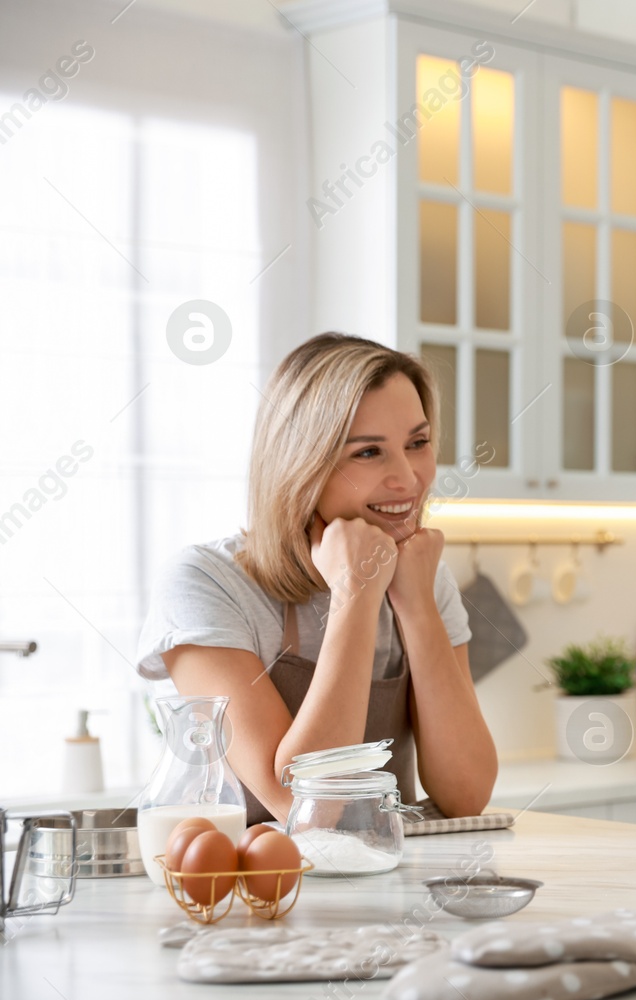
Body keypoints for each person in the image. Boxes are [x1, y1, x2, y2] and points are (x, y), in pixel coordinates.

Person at [136, 333, 496, 823]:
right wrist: (356, 593)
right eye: (368, 452)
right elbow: (302, 809)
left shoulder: (421, 576)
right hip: (242, 892)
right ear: (301, 464)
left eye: (418, 443)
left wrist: (416, 604)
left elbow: (466, 794)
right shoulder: (204, 583)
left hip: (388, 883)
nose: (409, 479)